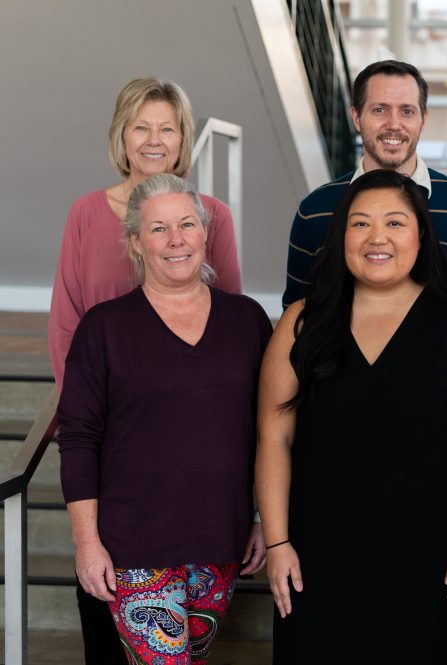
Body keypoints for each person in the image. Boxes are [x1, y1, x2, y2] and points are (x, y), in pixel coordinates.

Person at [258, 170, 447, 663]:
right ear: (340, 235)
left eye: (395, 222)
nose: (378, 238)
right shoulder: (301, 321)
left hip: (430, 553)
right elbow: (273, 437)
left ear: (421, 234)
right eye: (361, 223)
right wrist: (278, 541)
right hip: (320, 552)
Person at [47, 76, 243, 665]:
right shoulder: (87, 214)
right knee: (109, 619)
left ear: (184, 138)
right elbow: (65, 325)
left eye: (167, 127)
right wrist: (84, 418)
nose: (154, 139)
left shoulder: (212, 216)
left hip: (198, 479)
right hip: (115, 443)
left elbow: (230, 337)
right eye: (141, 126)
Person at [282, 59, 447, 344]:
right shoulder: (314, 211)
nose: (394, 125)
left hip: (439, 382)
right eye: (379, 110)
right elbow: (297, 314)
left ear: (423, 118)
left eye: (407, 111)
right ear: (356, 117)